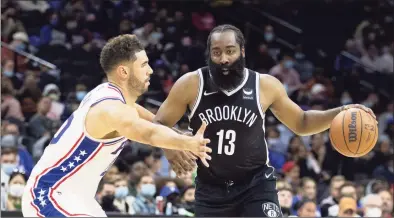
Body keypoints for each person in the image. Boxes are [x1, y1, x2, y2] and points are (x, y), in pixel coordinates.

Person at [152, 24, 376, 217]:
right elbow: (159, 123)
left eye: (230, 51)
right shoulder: (191, 84)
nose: (224, 59)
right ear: (209, 54)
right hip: (211, 188)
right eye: (216, 53)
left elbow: (302, 122)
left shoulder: (265, 85)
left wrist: (342, 111)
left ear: (242, 51)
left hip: (255, 184)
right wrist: (170, 148)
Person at [21, 34, 212, 217]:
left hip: (78, 198)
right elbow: (149, 133)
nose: (150, 70)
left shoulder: (111, 96)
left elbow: (153, 122)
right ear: (124, 71)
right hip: (48, 195)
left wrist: (174, 140)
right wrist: (187, 143)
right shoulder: (110, 110)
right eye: (144, 64)